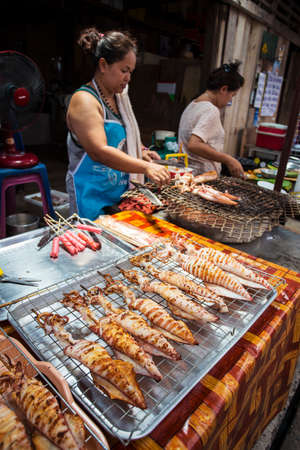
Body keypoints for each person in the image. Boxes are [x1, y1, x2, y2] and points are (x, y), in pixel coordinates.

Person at [66, 27, 170, 220]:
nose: (128, 78)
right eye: (124, 70)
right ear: (103, 65)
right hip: (90, 198)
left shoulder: (119, 100)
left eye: (131, 72)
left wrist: (140, 151)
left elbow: (119, 140)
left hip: (117, 196)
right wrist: (144, 167)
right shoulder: (85, 100)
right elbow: (99, 150)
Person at [178, 61, 245, 178]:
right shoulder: (210, 110)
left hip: (188, 174)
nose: (230, 101)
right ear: (224, 89)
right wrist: (228, 159)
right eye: (232, 95)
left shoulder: (193, 104)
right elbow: (194, 145)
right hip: (201, 177)